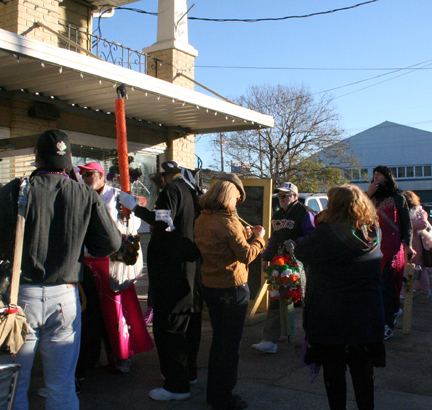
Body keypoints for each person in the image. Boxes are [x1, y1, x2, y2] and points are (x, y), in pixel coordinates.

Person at [0, 130, 122, 410]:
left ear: (36, 157)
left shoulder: (15, 189)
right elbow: (110, 243)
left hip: (19, 297)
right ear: (68, 160)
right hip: (66, 297)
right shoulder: (84, 194)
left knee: (12, 386)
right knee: (62, 387)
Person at [296, 184, 385, 410]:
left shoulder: (327, 232)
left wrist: (322, 222)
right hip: (366, 315)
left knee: (334, 376)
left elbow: (301, 251)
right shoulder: (373, 230)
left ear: (334, 205)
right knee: (363, 375)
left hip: (332, 316)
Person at [119, 160, 201, 401]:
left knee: (171, 329)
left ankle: (177, 385)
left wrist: (135, 207)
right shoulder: (189, 191)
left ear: (164, 178)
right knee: (188, 327)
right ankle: (188, 373)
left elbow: (163, 223)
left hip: (172, 273)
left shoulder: (172, 190)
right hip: (186, 273)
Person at [194, 173, 266, 410]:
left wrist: (243, 237)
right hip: (232, 288)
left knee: (219, 342)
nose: (237, 203)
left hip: (210, 285)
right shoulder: (228, 221)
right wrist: (259, 239)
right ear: (228, 196)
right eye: (237, 198)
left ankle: (215, 393)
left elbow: (220, 244)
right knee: (230, 346)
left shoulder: (202, 219)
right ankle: (224, 397)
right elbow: (245, 255)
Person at [78, 162, 154, 374]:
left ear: (101, 175)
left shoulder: (117, 196)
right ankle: (93, 356)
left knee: (116, 311)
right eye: (83, 175)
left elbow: (132, 226)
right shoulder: (80, 195)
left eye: (90, 174)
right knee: (90, 313)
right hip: (86, 261)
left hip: (111, 263)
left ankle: (122, 355)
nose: (86, 179)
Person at [252, 182, 315, 353]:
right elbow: (274, 238)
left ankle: (314, 338)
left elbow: (313, 235)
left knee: (306, 300)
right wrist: (266, 257)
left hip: (300, 264)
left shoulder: (305, 212)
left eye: (286, 195)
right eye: (280, 195)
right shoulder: (277, 215)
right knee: (276, 298)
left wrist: (296, 243)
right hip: (281, 265)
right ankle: (270, 340)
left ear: (295, 196)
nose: (282, 198)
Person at [367, 166, 414, 340]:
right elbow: (358, 214)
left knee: (388, 286)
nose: (376, 178)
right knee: (374, 287)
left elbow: (406, 224)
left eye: (379, 175)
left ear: (387, 177)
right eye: (374, 176)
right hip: (372, 248)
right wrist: (368, 195)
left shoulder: (398, 198)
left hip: (392, 248)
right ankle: (382, 318)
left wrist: (409, 245)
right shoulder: (370, 198)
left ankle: (388, 322)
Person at [402, 190, 431, 302]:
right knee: (406, 266)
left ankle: (424, 290)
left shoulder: (419, 210)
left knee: (418, 266)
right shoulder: (402, 210)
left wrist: (410, 226)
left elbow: (423, 223)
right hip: (405, 241)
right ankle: (406, 291)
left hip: (416, 241)